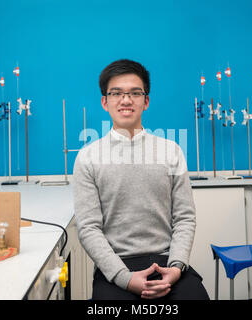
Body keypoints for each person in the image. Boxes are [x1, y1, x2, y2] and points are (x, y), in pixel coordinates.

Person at [73, 59, 209, 300]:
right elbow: (88, 228)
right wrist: (125, 278)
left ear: (146, 101)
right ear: (105, 101)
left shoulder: (171, 151)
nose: (126, 100)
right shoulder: (88, 157)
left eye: (135, 93)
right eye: (116, 93)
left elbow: (185, 217)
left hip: (167, 264)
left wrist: (176, 268)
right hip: (116, 269)